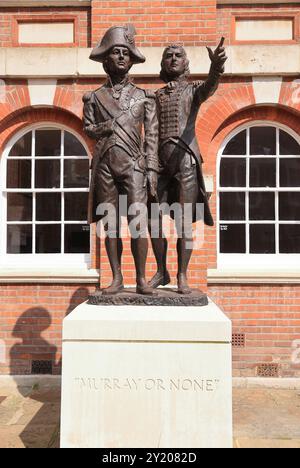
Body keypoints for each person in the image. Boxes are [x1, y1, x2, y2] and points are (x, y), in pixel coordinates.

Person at [83, 25, 159, 295]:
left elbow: (151, 136)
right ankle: (116, 277)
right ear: (106, 59)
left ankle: (141, 278)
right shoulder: (93, 97)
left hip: (134, 165)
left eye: (126, 53)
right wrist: (104, 128)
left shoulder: (143, 97)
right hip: (105, 164)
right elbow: (88, 128)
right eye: (115, 52)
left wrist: (151, 170)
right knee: (110, 222)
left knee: (138, 220)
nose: (121, 57)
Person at [149, 38, 227, 294]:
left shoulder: (193, 91)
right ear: (162, 63)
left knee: (183, 222)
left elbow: (210, 87)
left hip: (185, 161)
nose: (173, 58)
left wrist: (216, 68)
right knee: (149, 217)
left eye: (178, 55)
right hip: (159, 163)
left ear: (185, 63)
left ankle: (182, 275)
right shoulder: (156, 96)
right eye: (168, 55)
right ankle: (162, 271)